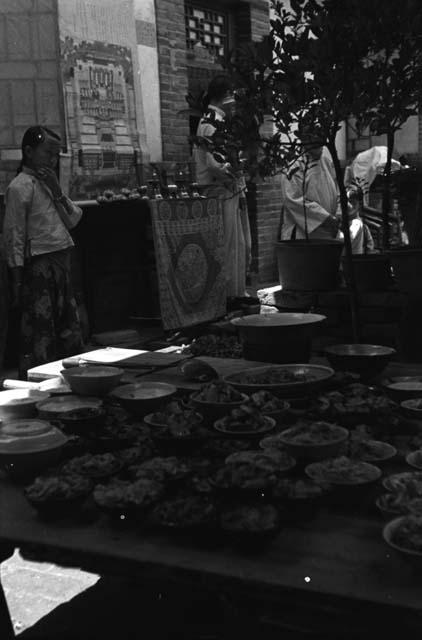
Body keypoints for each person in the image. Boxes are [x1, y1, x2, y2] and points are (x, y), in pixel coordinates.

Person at [3, 125, 84, 375]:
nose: (52, 160)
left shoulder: (49, 184)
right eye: (47, 152)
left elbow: (73, 220)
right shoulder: (19, 187)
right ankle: (41, 378)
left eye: (55, 155)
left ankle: (72, 376)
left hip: (61, 259)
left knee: (67, 322)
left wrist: (57, 190)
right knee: (41, 328)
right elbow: (14, 235)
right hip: (38, 265)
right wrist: (16, 279)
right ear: (28, 151)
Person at [192, 75, 252, 299]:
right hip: (220, 191)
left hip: (228, 190)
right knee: (228, 245)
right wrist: (236, 168)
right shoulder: (210, 122)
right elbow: (214, 164)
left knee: (237, 243)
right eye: (232, 95)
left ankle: (235, 292)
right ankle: (228, 296)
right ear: (225, 96)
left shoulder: (216, 120)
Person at [281, 142, 370, 253]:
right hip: (306, 232)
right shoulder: (295, 168)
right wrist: (326, 219)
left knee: (357, 227)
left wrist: (341, 214)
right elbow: (294, 201)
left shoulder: (327, 163)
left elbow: (337, 194)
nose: (321, 146)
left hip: (330, 228)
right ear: (306, 141)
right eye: (316, 141)